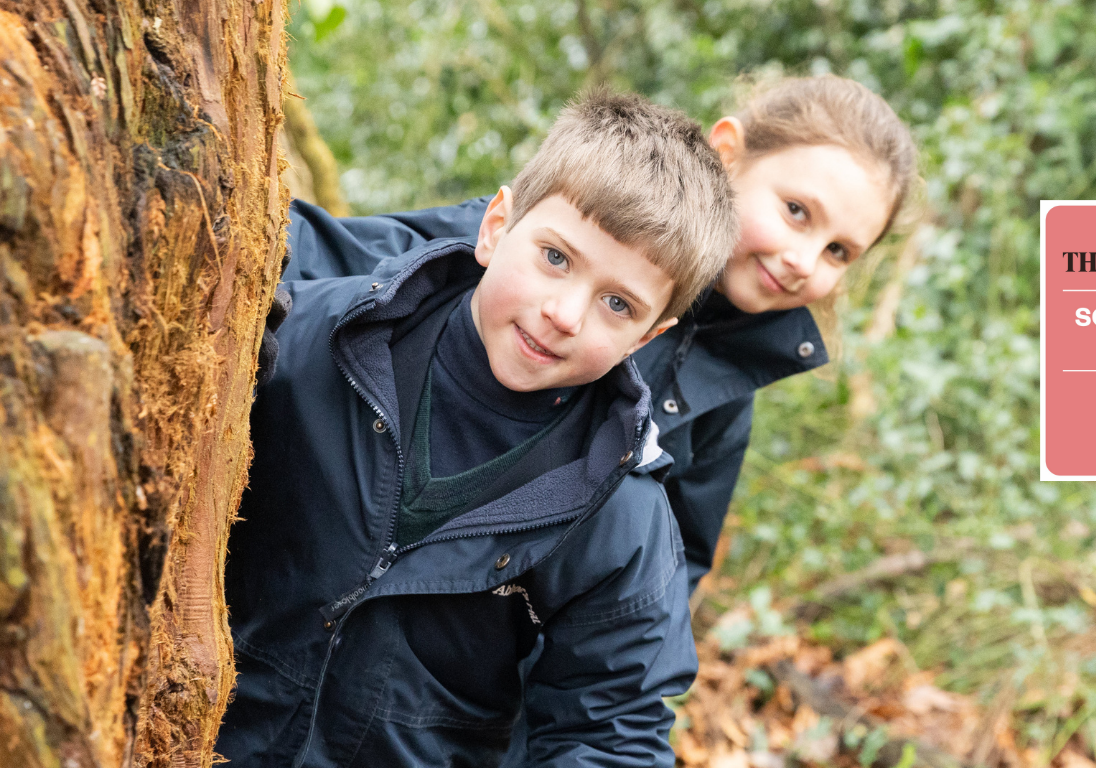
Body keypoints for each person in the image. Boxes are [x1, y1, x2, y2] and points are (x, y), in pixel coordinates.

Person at [219, 90, 738, 767]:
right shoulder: (310, 341)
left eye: (617, 303)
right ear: (495, 227)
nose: (565, 314)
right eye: (556, 258)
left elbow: (611, 733)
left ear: (648, 337)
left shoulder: (618, 511)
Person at [280, 76, 917, 593]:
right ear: (729, 152)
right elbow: (332, 256)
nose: (804, 259)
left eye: (839, 251)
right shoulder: (542, 241)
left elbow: (674, 565)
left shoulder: (732, 385)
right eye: (797, 212)